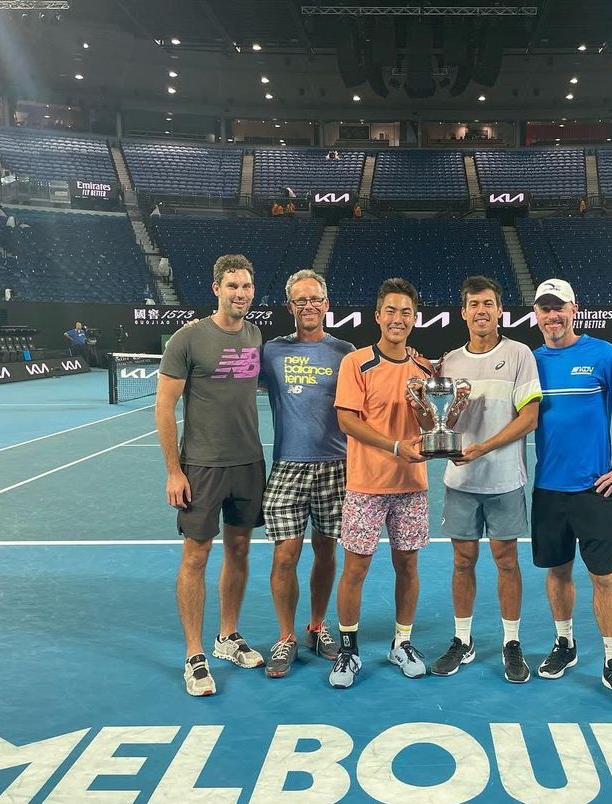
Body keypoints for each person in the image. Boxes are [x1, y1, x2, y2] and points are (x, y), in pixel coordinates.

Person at [529, 278, 612, 706]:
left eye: (558, 307)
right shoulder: (530, 361)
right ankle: (566, 644)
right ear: (536, 314)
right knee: (557, 572)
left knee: (604, 576)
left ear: (574, 309)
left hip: (595, 492)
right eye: (544, 308)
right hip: (547, 491)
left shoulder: (603, 354)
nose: (552, 315)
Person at [155, 254, 267, 697]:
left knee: (239, 549)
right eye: (232, 286)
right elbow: (164, 407)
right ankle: (194, 655)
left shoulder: (257, 335)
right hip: (200, 467)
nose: (240, 294)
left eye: (247, 287)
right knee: (196, 557)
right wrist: (173, 471)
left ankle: (227, 637)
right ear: (216, 288)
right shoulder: (188, 339)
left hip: (248, 463)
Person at [430, 276, 542, 683]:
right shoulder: (448, 362)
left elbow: (529, 417)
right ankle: (463, 639)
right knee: (463, 562)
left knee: (506, 562)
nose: (481, 310)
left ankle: (511, 642)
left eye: (488, 303)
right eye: (473, 304)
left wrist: (483, 448)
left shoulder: (519, 355)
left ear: (499, 310)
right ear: (463, 312)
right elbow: (442, 418)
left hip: (504, 481)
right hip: (459, 483)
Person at [329, 277, 437, 689]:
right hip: (366, 485)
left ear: (415, 318)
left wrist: (431, 422)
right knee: (355, 568)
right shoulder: (356, 363)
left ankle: (402, 642)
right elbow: (347, 421)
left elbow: (432, 424)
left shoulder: (426, 368)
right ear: (378, 316)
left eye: (406, 312)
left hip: (412, 485)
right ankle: (348, 649)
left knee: (408, 565)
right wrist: (395, 446)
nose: (398, 318)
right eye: (390, 311)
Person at [260, 269, 355, 678]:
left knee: (327, 550)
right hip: (287, 467)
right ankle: (286, 637)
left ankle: (317, 626)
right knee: (285, 554)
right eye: (300, 301)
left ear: (326, 304)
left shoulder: (345, 352)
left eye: (315, 299)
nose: (308, 306)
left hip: (337, 466)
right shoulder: (271, 352)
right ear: (290, 307)